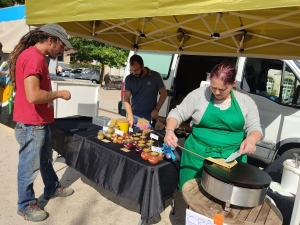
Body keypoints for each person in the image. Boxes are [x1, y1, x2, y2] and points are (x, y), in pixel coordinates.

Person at [9, 23, 74, 222]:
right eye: (62, 45)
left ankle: (52, 187)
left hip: (38, 122)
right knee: (29, 167)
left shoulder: (37, 57)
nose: (63, 49)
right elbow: (33, 95)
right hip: (31, 124)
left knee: (46, 160)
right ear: (50, 40)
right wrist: (60, 94)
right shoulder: (33, 58)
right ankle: (26, 205)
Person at [164, 62, 264, 191]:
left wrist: (251, 140)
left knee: (224, 196)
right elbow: (177, 113)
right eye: (213, 86)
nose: (216, 92)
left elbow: (255, 127)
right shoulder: (198, 95)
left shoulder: (246, 101)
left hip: (231, 159)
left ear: (233, 82)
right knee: (192, 193)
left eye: (222, 89)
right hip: (197, 155)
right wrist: (169, 130)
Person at [124, 55, 167, 129]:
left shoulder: (155, 76)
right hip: (134, 117)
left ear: (142, 66)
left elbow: (164, 94)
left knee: (145, 138)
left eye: (136, 70)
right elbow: (126, 99)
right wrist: (130, 116)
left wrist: (157, 109)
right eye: (132, 70)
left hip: (149, 118)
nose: (134, 73)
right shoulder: (129, 79)